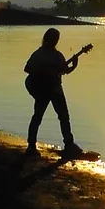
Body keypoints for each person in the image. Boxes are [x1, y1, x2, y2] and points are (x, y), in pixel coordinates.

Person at [23, 28, 85, 159]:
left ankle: (32, 145)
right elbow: (28, 69)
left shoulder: (40, 54)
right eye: (55, 38)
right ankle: (67, 144)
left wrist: (73, 65)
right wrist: (45, 71)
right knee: (61, 116)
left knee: (41, 116)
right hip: (52, 89)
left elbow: (64, 70)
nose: (56, 41)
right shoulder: (53, 55)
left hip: (48, 89)